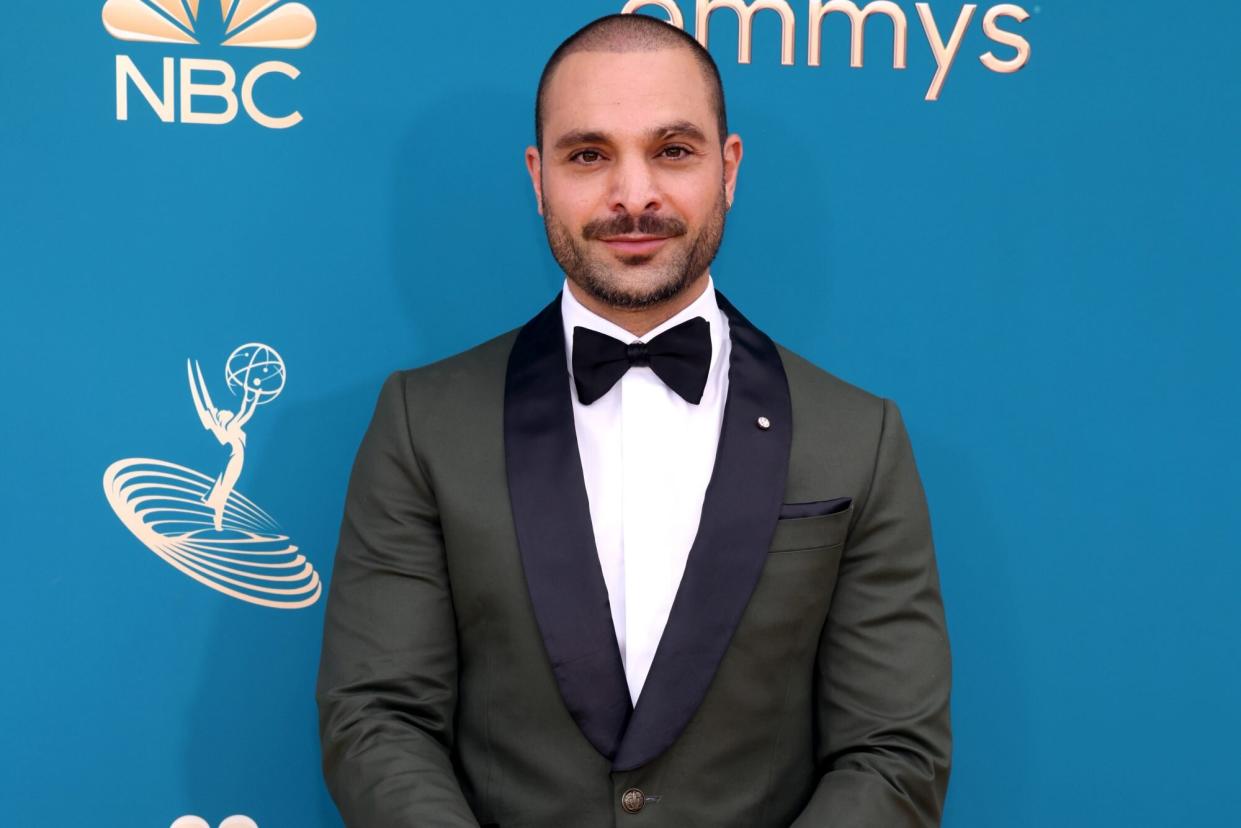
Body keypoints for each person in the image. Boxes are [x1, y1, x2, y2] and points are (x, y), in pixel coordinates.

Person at [315, 12, 951, 827]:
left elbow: (892, 753)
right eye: (588, 155)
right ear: (537, 176)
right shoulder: (422, 422)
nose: (633, 195)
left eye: (672, 151)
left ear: (727, 169)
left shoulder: (858, 438)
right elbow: (375, 718)